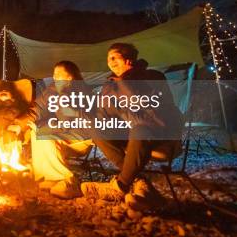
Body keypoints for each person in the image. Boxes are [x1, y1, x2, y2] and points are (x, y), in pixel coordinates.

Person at [79, 43, 183, 210]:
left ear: (128, 60)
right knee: (95, 128)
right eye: (108, 59)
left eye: (114, 57)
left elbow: (149, 114)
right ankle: (139, 182)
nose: (110, 62)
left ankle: (120, 187)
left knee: (141, 128)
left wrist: (124, 82)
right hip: (130, 132)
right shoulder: (110, 85)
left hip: (158, 131)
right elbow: (103, 113)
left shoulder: (152, 77)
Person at [29, 61, 94, 199]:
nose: (54, 75)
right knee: (35, 133)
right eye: (54, 73)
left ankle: (68, 182)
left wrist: (46, 127)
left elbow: (76, 121)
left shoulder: (83, 91)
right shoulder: (53, 89)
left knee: (45, 136)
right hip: (64, 131)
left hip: (82, 136)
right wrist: (23, 121)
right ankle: (48, 177)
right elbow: (39, 107)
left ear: (70, 77)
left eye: (58, 73)